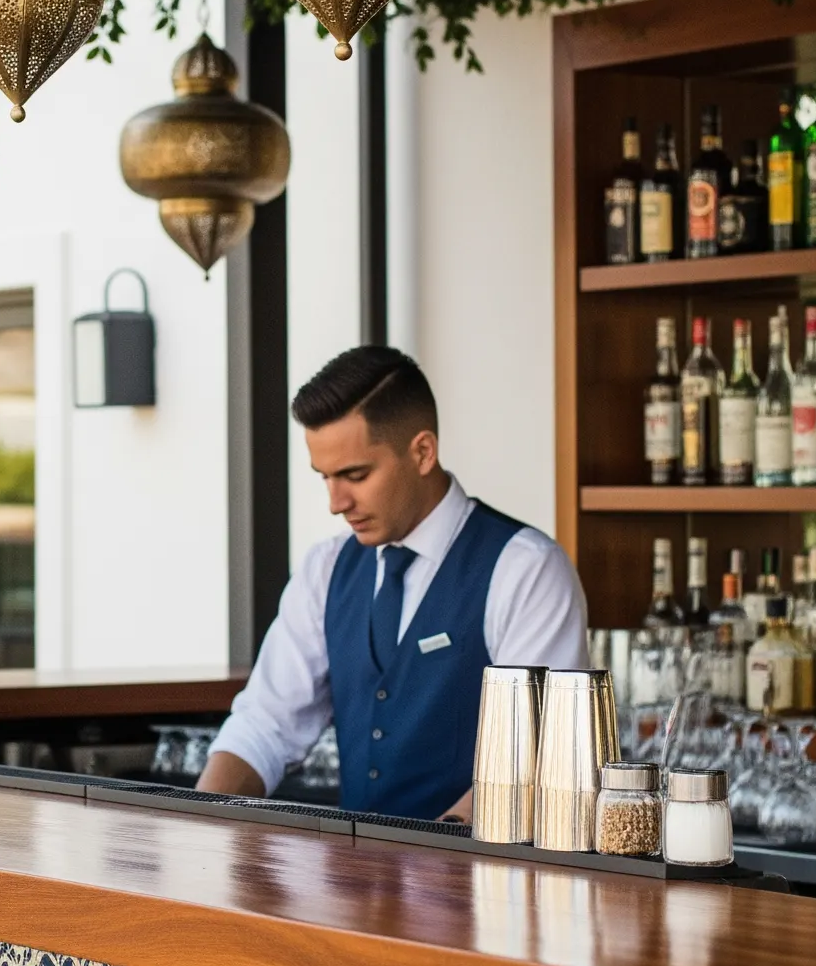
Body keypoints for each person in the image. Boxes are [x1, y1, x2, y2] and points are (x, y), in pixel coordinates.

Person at [199, 343, 587, 820]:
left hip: (482, 885)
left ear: (423, 452)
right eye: (324, 477)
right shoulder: (325, 569)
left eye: (355, 475)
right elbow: (264, 725)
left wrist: (431, 869)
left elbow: (532, 765)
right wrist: (197, 821)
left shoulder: (526, 571)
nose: (336, 502)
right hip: (355, 887)